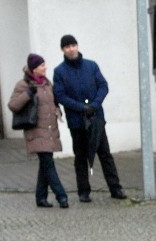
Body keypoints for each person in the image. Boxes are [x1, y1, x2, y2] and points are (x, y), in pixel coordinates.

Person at [53, 34, 126, 202]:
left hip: (96, 119)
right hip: (77, 121)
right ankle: (83, 191)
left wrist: (95, 104)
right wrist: (81, 108)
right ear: (63, 50)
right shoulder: (60, 71)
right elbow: (61, 95)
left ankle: (115, 188)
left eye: (73, 45)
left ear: (77, 46)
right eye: (67, 47)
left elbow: (103, 85)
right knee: (80, 157)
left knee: (105, 154)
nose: (71, 49)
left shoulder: (91, 66)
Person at [8, 53, 70, 209]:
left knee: (45, 165)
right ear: (34, 69)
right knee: (48, 164)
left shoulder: (47, 84)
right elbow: (13, 105)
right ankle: (61, 196)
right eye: (42, 65)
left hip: (49, 130)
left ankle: (40, 198)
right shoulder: (23, 85)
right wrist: (28, 94)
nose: (45, 67)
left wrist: (57, 111)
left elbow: (52, 103)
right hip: (35, 132)